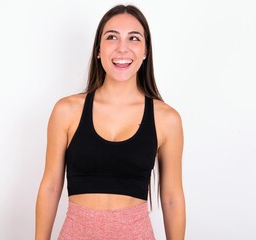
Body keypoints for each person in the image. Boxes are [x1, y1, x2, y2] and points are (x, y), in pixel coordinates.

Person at [35, 4, 185, 240]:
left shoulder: (166, 119)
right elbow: (51, 186)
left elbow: (172, 198)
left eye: (134, 38)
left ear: (146, 50)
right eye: (112, 37)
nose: (122, 48)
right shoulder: (66, 111)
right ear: (98, 49)